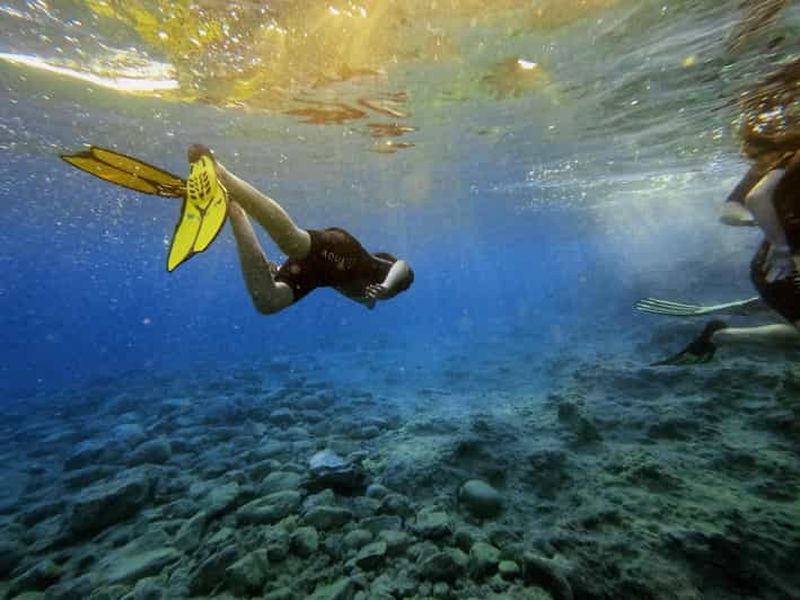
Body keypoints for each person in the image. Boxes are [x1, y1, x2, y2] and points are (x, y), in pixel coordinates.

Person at [187, 144, 414, 314]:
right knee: (291, 242)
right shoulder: (387, 275)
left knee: (267, 302)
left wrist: (372, 299)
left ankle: (233, 209)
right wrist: (386, 286)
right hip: (343, 251)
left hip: (318, 275)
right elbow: (403, 267)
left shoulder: (370, 297)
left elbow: (368, 303)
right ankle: (220, 173)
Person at [651, 147, 800, 365]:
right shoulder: (784, 159)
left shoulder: (784, 159)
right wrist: (778, 236)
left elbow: (746, 204)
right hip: (782, 265)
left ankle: (751, 309)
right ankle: (722, 335)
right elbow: (745, 204)